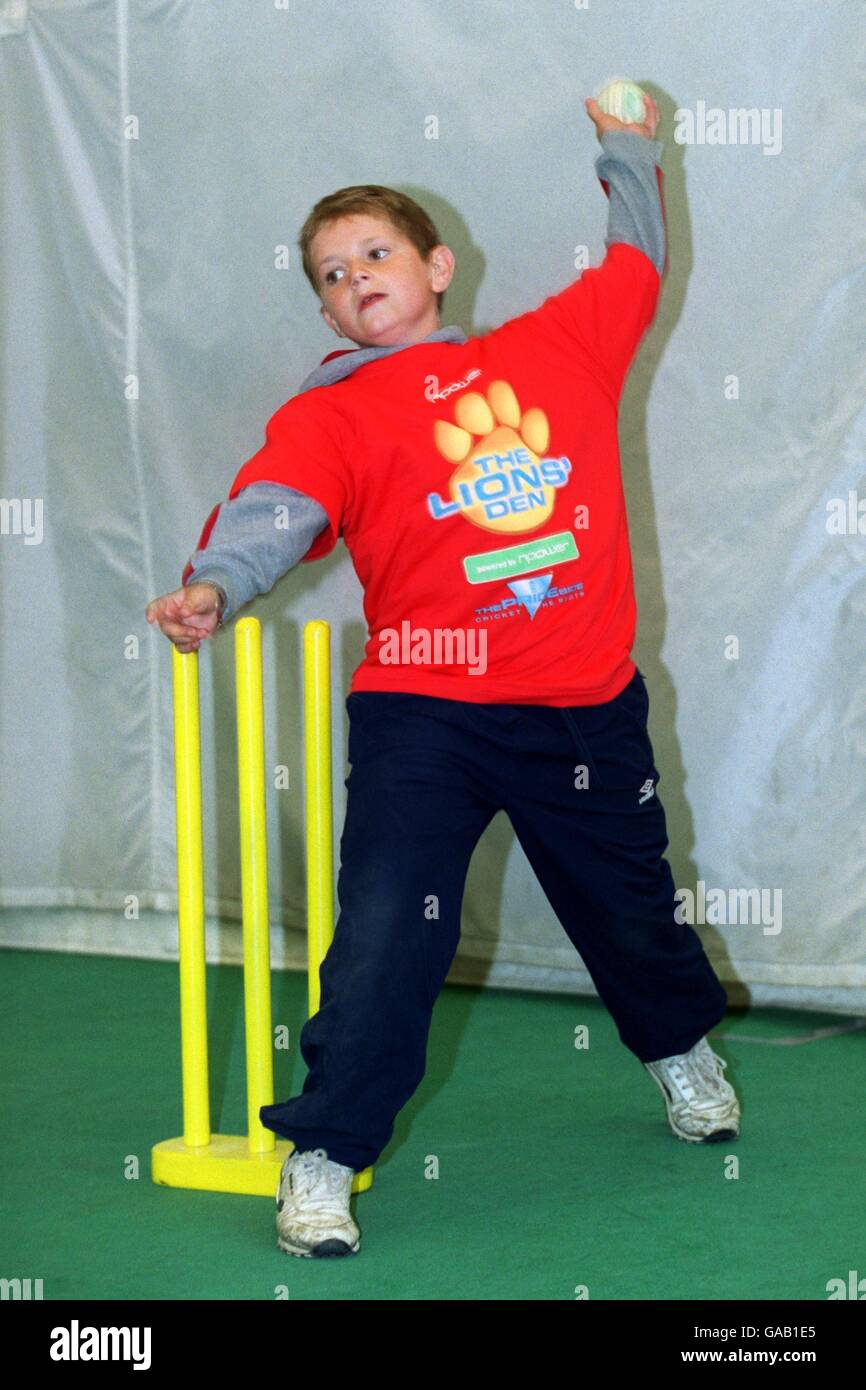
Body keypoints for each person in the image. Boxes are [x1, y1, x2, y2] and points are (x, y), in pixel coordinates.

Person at [146, 91, 740, 1260]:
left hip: (578, 703)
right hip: (426, 708)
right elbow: (276, 508)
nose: (352, 278)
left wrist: (625, 141)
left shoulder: (551, 347)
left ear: (436, 264)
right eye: (326, 272)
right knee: (381, 929)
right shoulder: (334, 410)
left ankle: (678, 1049)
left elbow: (633, 257)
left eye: (373, 253)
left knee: (626, 910)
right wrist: (216, 582)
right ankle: (322, 1153)